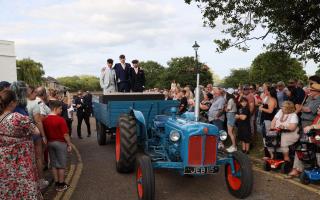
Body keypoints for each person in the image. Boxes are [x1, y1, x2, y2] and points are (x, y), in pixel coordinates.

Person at [0, 89, 43, 199]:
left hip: (4, 161)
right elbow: (37, 132)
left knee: (8, 188)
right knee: (24, 187)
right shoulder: (17, 118)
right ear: (11, 103)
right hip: (21, 160)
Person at [43, 100, 73, 192]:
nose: (61, 110)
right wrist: (69, 144)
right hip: (60, 143)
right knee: (61, 165)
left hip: (50, 143)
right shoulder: (60, 120)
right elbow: (65, 134)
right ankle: (61, 184)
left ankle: (56, 183)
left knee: (54, 164)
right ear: (55, 109)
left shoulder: (45, 119)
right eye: (60, 109)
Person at [26, 86, 49, 189]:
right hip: (35, 133)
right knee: (38, 157)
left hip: (25, 135)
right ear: (28, 93)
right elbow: (39, 120)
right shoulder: (36, 102)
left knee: (30, 158)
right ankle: (40, 181)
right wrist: (43, 135)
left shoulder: (19, 103)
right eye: (33, 92)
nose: (35, 94)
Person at [259, 84, 278, 159]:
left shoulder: (272, 99)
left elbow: (270, 111)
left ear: (269, 92)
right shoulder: (268, 98)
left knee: (269, 137)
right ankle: (267, 154)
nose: (264, 91)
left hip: (269, 121)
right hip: (265, 120)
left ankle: (271, 155)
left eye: (266, 90)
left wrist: (262, 108)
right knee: (265, 137)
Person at [225, 88, 238, 152]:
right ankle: (234, 145)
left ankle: (234, 146)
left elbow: (228, 109)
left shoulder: (230, 100)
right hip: (233, 115)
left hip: (230, 115)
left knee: (230, 132)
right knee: (233, 132)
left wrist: (225, 108)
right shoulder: (234, 99)